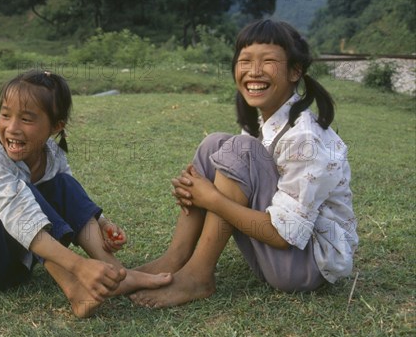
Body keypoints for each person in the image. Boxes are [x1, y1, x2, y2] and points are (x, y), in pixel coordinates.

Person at [130, 19, 358, 308]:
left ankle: (198, 276)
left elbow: (281, 236)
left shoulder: (304, 139)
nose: (254, 71)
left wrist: (211, 198)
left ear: (295, 70)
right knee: (215, 143)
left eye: (268, 61)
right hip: (281, 259)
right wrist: (194, 193)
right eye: (245, 61)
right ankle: (175, 258)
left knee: (240, 149)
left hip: (305, 266)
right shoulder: (267, 122)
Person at [0, 70, 171, 317]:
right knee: (22, 199)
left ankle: (114, 272)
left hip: (18, 263)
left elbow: (69, 197)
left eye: (27, 119)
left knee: (62, 184)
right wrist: (79, 266)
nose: (12, 128)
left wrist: (102, 222)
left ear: (55, 126)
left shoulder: (51, 153)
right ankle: (75, 289)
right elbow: (20, 218)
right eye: (5, 115)